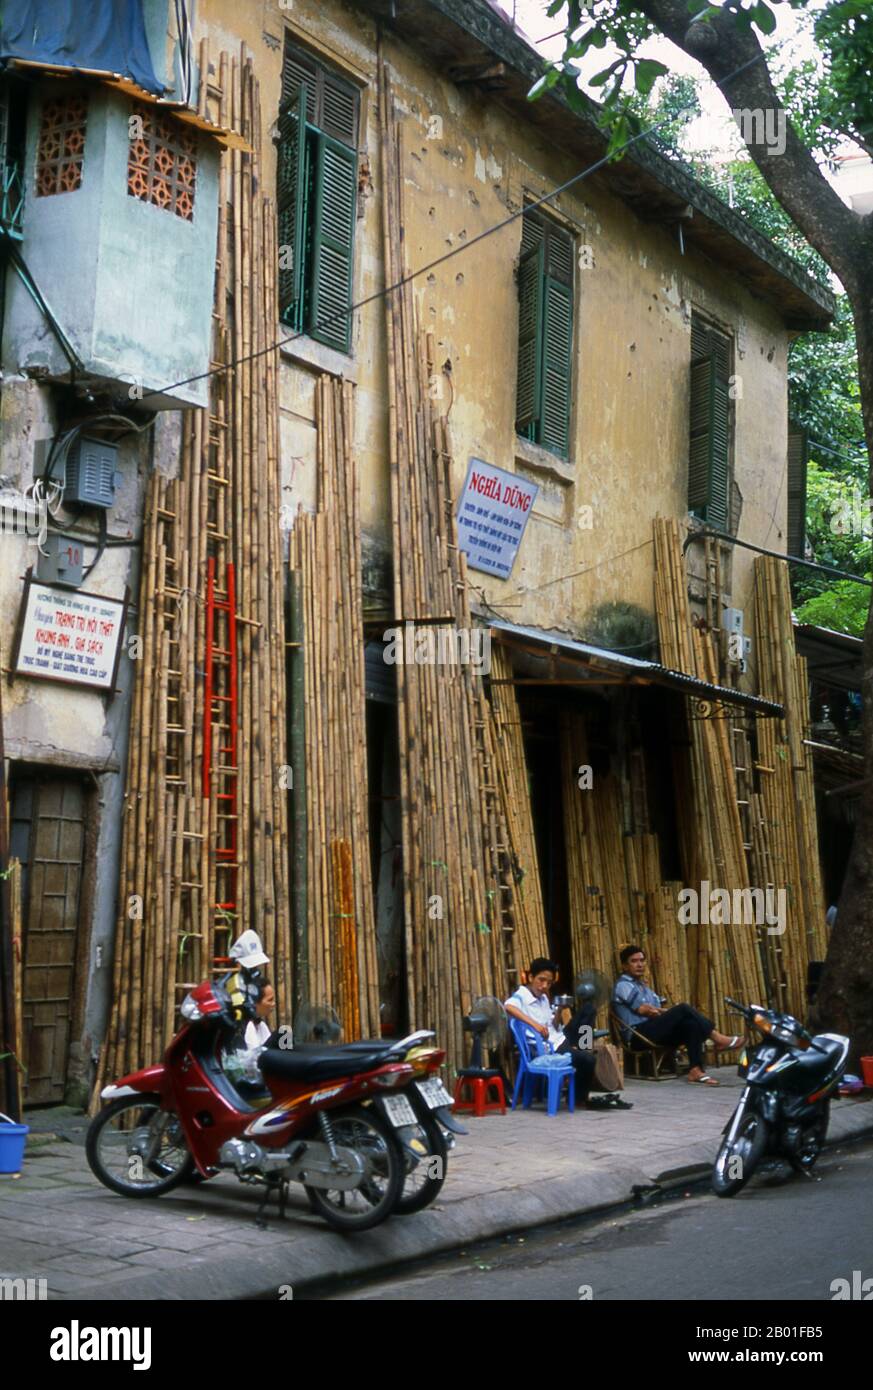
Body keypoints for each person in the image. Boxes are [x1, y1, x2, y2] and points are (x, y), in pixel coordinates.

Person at [505, 958, 630, 1110]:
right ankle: (579, 1098)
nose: (544, 986)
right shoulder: (522, 995)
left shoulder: (544, 997)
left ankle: (584, 1046)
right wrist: (535, 1025)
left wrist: (559, 1010)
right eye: (541, 980)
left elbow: (554, 1025)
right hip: (548, 1046)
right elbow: (509, 1007)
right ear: (531, 977)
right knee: (588, 1061)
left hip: (559, 1036)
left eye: (549, 982)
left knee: (589, 1009)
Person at [613, 945, 741, 1086]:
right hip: (637, 1036)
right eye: (634, 961)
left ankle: (695, 1070)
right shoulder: (623, 985)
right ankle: (718, 1038)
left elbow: (658, 1009)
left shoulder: (644, 987)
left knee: (690, 1024)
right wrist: (665, 1012)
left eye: (642, 960)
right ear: (625, 966)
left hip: (653, 1031)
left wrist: (662, 1011)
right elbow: (645, 1010)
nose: (640, 964)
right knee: (683, 1008)